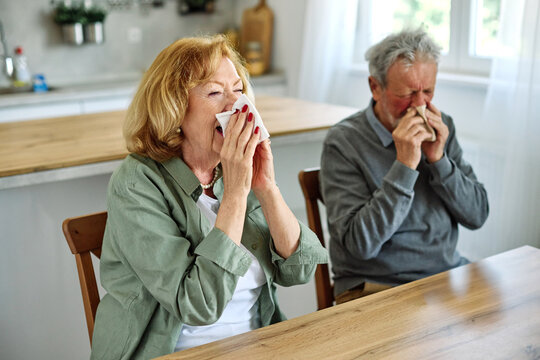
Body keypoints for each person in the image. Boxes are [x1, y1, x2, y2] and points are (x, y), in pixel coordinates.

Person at [91, 35, 327, 359]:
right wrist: (235, 196)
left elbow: (301, 270)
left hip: (257, 346)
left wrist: (266, 187)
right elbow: (198, 305)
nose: (236, 106)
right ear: (174, 108)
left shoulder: (233, 168)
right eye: (215, 92)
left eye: (239, 91)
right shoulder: (136, 182)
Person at [320, 28, 489, 304]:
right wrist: (405, 164)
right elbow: (359, 245)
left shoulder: (442, 126)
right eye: (408, 93)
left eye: (428, 91)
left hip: (445, 277)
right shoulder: (343, 142)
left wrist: (439, 160)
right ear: (376, 87)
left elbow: (477, 215)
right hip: (374, 287)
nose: (420, 105)